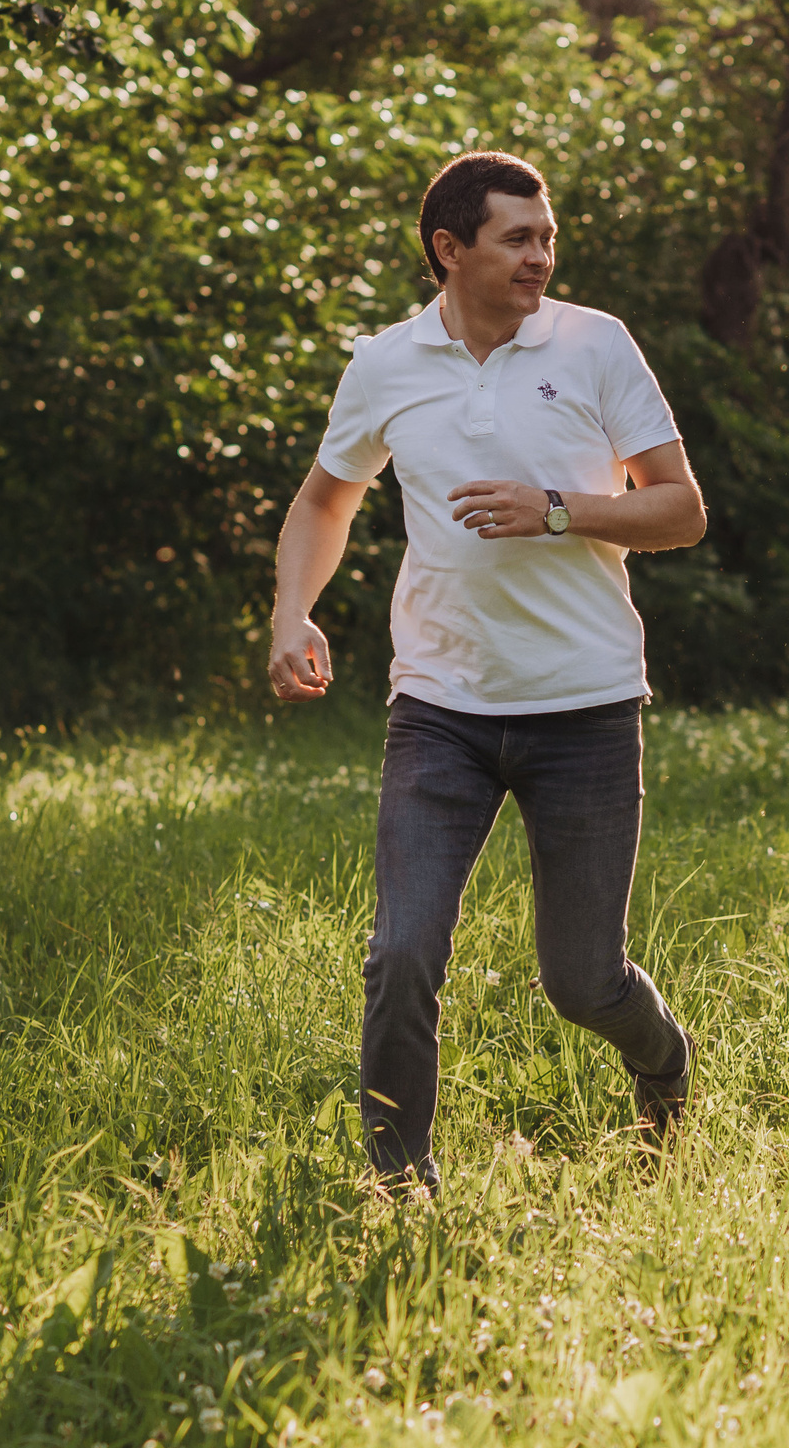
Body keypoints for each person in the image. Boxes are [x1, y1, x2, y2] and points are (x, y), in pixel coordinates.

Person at [266, 150, 708, 1191]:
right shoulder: (385, 365)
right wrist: (292, 611)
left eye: (548, 237)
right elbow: (325, 500)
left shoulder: (595, 346)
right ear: (449, 250)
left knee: (582, 980)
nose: (541, 256)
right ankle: (396, 1182)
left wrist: (558, 509)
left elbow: (681, 509)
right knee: (402, 953)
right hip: (441, 709)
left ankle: (665, 1061)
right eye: (519, 237)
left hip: (586, 710)